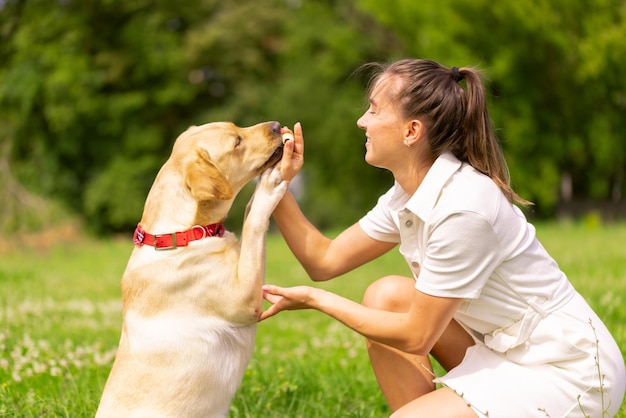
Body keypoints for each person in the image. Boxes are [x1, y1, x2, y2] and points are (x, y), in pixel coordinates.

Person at [266, 58, 626, 417]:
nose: (362, 120)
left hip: (568, 372)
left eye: (374, 111)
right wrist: (274, 180)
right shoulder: (409, 192)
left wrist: (317, 300)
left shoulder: (464, 207)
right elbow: (323, 259)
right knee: (387, 297)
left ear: (412, 132)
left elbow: (416, 335)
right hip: (501, 351)